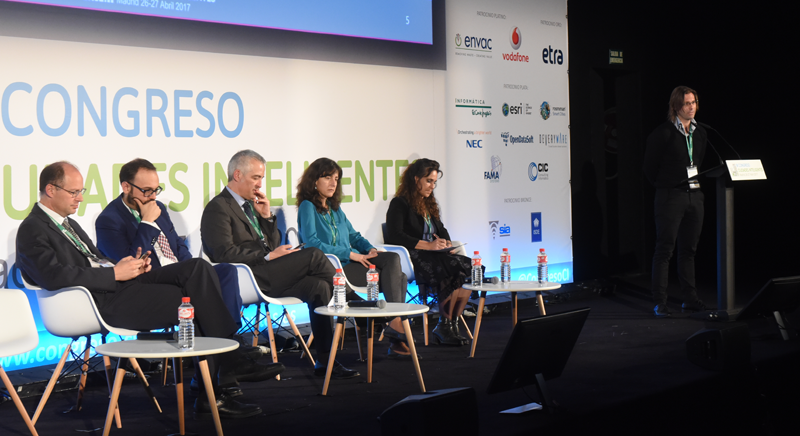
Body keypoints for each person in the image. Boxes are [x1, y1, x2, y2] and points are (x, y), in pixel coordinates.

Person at [15, 161, 283, 420]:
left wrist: (121, 266)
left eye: (81, 192)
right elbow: (53, 275)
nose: (80, 199)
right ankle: (222, 374)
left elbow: (95, 259)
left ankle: (221, 374)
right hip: (105, 302)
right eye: (74, 192)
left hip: (123, 286)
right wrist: (113, 273)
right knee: (197, 298)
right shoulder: (32, 228)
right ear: (51, 190)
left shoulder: (67, 224)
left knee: (198, 270)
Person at [201, 150, 359, 379]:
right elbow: (222, 252)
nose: (259, 184)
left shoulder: (249, 206)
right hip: (248, 278)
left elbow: (271, 245)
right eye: (256, 177)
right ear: (237, 175)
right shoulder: (218, 207)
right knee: (313, 254)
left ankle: (326, 362)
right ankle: (350, 296)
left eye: (261, 178)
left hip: (269, 273)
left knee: (319, 288)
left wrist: (266, 217)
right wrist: (266, 258)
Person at [296, 158, 412, 358]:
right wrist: (351, 254)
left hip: (352, 263)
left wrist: (370, 249)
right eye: (327, 178)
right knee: (398, 277)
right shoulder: (307, 207)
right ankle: (396, 325)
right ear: (314, 180)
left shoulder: (335, 209)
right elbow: (312, 243)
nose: (333, 183)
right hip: (335, 268)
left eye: (336, 179)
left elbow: (353, 236)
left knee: (391, 259)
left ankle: (393, 323)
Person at [385, 158, 472, 346]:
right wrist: (428, 246)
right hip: (412, 256)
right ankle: (443, 325)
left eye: (434, 182)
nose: (432, 186)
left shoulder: (429, 204)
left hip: (433, 254)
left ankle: (451, 324)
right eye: (429, 181)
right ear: (416, 179)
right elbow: (395, 236)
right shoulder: (399, 204)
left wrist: (445, 243)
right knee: (448, 269)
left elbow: (441, 229)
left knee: (466, 266)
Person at [643, 86, 708, 317]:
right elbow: (650, 168)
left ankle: (689, 299)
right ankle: (660, 301)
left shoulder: (701, 133)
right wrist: (666, 185)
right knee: (665, 250)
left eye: (694, 102)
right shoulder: (663, 133)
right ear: (676, 106)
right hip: (670, 196)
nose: (691, 107)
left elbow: (698, 161)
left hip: (695, 195)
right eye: (687, 104)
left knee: (689, 250)